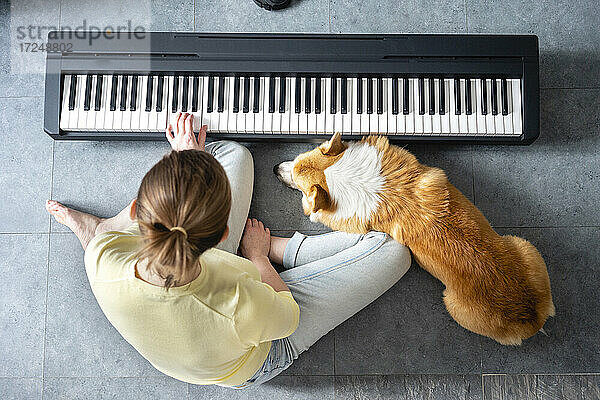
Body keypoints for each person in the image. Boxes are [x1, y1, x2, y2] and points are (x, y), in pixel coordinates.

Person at [46, 112, 411, 388]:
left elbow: (144, 227)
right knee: (396, 247)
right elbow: (287, 317)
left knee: (232, 154)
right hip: (257, 352)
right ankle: (281, 250)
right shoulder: (238, 301)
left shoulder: (102, 258)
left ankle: (96, 225)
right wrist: (258, 256)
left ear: (137, 210)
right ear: (224, 234)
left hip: (190, 301)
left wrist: (187, 160)